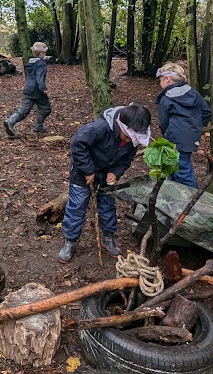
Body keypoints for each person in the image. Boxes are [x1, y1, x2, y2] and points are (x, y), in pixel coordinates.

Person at [58, 103, 152, 264]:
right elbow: (77, 144)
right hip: (83, 173)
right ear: (120, 126)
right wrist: (88, 170)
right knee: (77, 206)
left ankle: (108, 237)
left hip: (106, 176)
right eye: (129, 137)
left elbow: (126, 160)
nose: (131, 141)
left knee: (108, 205)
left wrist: (115, 172)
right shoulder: (99, 128)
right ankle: (70, 241)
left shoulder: (131, 142)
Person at [155, 61, 211, 188]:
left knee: (183, 170)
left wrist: (167, 137)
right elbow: (206, 112)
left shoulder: (166, 98)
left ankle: (190, 200)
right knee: (176, 166)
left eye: (160, 79)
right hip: (191, 138)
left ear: (167, 79)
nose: (159, 83)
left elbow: (163, 123)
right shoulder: (193, 93)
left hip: (175, 138)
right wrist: (196, 126)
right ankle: (178, 193)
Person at [4, 41, 51, 137]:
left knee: (23, 110)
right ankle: (39, 126)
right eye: (44, 52)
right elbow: (39, 77)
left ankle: (10, 121)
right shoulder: (42, 64)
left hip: (27, 89)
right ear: (41, 53)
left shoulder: (30, 62)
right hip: (37, 90)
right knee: (46, 108)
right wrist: (43, 88)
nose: (45, 54)